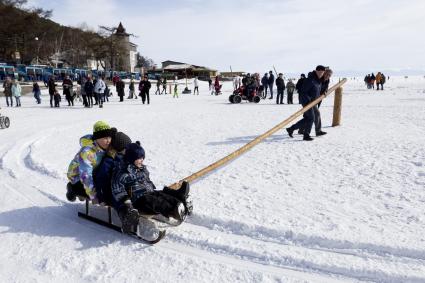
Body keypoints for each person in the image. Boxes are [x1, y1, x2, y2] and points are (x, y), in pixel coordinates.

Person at [111, 141, 190, 232]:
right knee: (155, 201)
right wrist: (127, 203)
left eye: (142, 158)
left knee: (161, 194)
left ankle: (180, 200)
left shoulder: (141, 168)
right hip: (137, 200)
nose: (142, 160)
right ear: (131, 159)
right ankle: (173, 210)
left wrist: (149, 186)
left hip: (148, 191)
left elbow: (146, 180)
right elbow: (117, 189)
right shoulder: (122, 173)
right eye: (139, 158)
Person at [66, 121, 115, 202]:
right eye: (105, 138)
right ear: (97, 138)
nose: (108, 141)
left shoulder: (105, 147)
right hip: (77, 176)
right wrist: (94, 196)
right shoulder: (87, 152)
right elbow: (85, 176)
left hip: (94, 172)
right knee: (96, 189)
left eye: (109, 137)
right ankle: (72, 188)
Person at [286, 65, 326, 141]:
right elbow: (303, 92)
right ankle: (306, 135)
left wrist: (323, 93)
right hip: (307, 102)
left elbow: (317, 91)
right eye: (320, 72)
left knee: (310, 117)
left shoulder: (318, 80)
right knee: (311, 118)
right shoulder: (310, 80)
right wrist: (308, 102)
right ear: (316, 71)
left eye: (322, 72)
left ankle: (291, 129)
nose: (321, 74)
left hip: (313, 102)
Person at [93, 131, 132, 206]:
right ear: (120, 148)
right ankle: (126, 211)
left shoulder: (125, 157)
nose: (129, 150)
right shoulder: (109, 160)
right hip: (112, 190)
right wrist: (102, 197)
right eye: (127, 148)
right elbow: (102, 178)